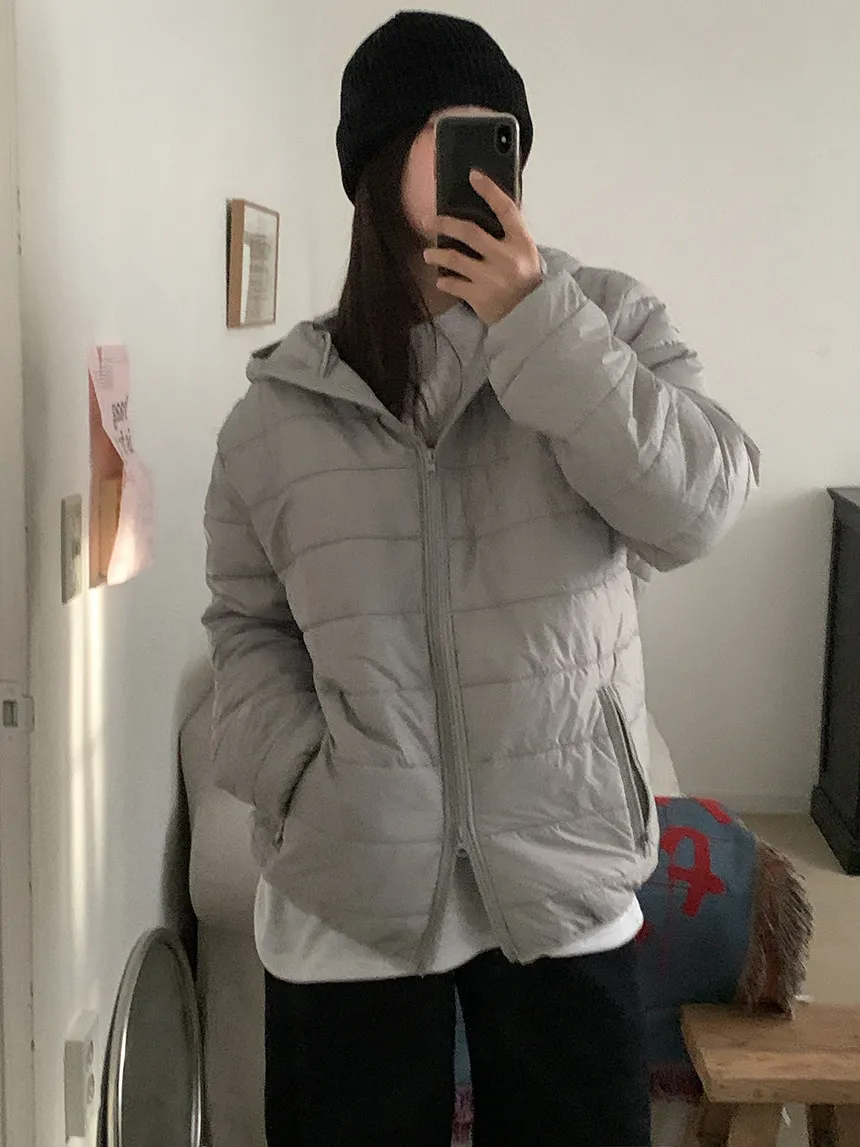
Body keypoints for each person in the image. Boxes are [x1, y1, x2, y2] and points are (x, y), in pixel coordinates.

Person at [203, 11, 759, 1147]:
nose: (485, 160)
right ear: (376, 161)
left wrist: (537, 324)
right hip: (349, 892)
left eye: (501, 134)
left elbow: (697, 509)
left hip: (562, 873)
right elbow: (245, 626)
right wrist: (308, 779)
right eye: (451, 131)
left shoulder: (604, 324)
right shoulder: (280, 406)